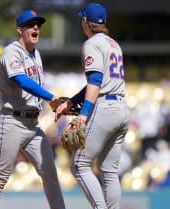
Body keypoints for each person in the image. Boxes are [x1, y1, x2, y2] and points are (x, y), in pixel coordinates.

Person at [55, 3, 130, 209]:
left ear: (86, 22)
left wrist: (83, 115)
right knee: (109, 170)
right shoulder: (114, 43)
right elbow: (93, 83)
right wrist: (71, 102)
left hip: (105, 107)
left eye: (82, 19)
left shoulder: (92, 44)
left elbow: (95, 81)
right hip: (122, 108)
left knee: (79, 165)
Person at [0, 10, 66, 209]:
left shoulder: (36, 54)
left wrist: (49, 102)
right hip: (12, 122)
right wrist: (51, 97)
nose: (35, 28)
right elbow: (21, 81)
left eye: (38, 25)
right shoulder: (11, 52)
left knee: (50, 173)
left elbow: (32, 87)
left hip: (33, 124)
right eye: (30, 24)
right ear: (20, 29)